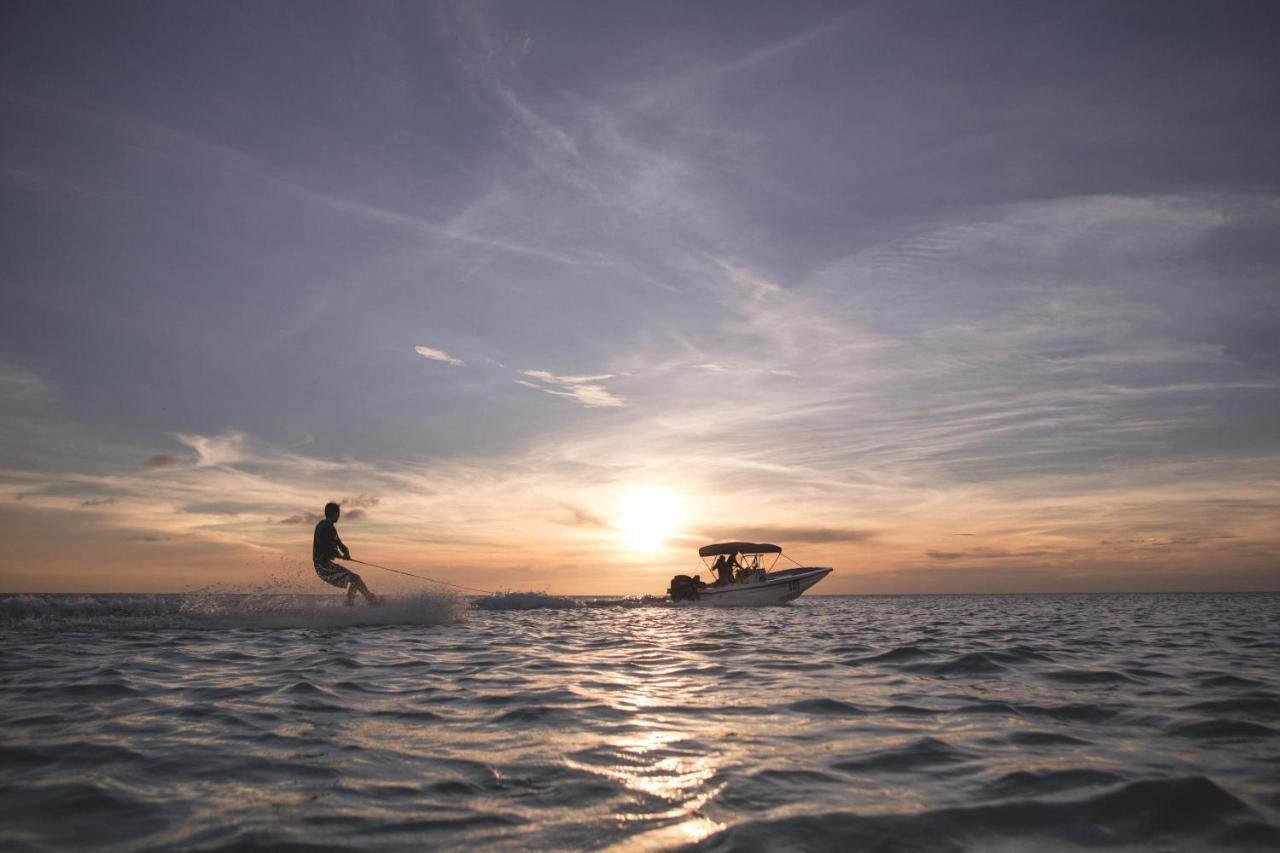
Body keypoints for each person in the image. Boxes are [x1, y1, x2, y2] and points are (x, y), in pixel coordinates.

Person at [313, 502, 379, 605]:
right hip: (322, 566)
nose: (339, 516)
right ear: (335, 513)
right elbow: (325, 547)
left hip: (324, 564)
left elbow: (339, 543)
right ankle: (363, 601)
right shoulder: (325, 527)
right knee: (355, 579)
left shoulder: (326, 526)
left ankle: (359, 601)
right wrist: (338, 555)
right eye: (338, 513)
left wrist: (346, 553)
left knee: (355, 579)